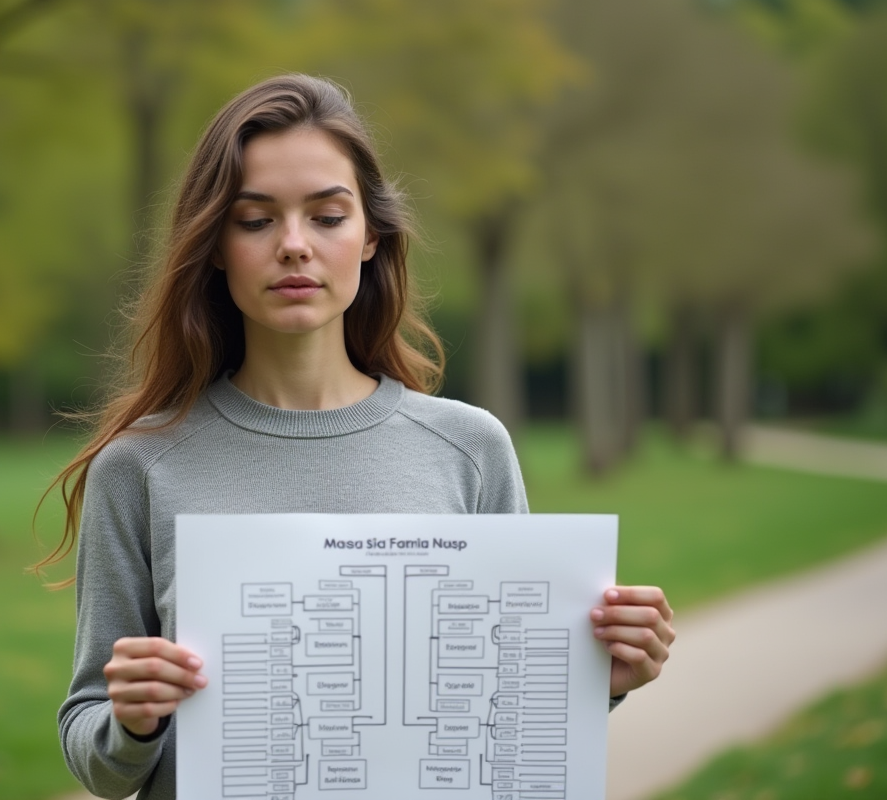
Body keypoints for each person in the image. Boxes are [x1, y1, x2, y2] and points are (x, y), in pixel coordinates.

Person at [41, 74, 675, 800]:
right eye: (254, 220)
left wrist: (597, 679)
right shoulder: (140, 467)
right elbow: (95, 756)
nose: (293, 246)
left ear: (371, 235)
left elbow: (507, 718)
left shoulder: (471, 449)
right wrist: (132, 722)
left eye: (327, 216)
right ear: (215, 245)